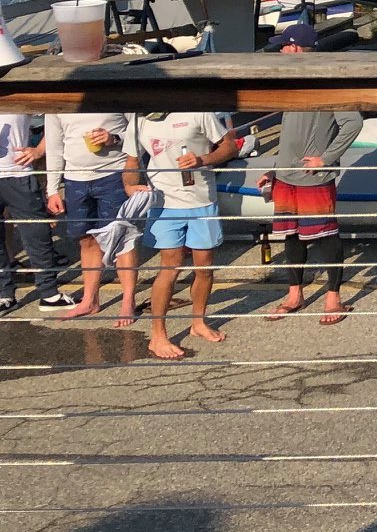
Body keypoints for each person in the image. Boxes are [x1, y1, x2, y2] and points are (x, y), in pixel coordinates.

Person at [260, 22, 363, 326]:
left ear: (295, 48)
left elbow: (353, 123)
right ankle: (295, 294)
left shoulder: (326, 82)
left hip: (314, 178)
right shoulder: (292, 84)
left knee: (326, 236)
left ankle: (333, 297)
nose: (280, 51)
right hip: (286, 176)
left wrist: (327, 158)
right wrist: (274, 169)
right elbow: (289, 136)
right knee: (291, 235)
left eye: (283, 46)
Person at [126, 111, 241, 359]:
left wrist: (202, 160)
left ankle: (198, 323)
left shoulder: (198, 111)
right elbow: (132, 162)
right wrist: (129, 186)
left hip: (202, 200)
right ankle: (158, 336)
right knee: (170, 267)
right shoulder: (139, 119)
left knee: (205, 267)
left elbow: (229, 146)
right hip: (163, 203)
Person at [46, 111, 139, 324]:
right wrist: (52, 190)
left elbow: (139, 131)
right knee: (86, 239)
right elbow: (54, 146)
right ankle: (90, 300)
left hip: (114, 174)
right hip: (74, 179)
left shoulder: (113, 94)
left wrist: (114, 138)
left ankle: (128, 301)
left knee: (121, 238)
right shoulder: (58, 101)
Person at [0, 114, 71, 312]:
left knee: (37, 235)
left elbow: (55, 116)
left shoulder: (16, 95)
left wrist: (39, 150)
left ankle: (49, 294)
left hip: (19, 174)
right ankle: (4, 294)